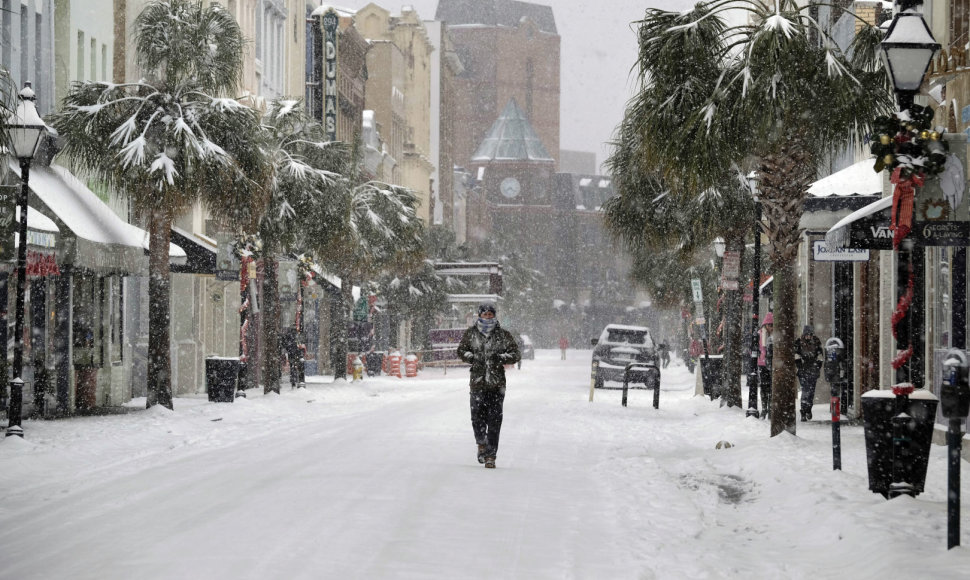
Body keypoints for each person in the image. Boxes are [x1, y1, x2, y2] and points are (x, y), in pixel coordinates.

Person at [458, 302, 521, 469]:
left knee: (494, 421)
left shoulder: (503, 335)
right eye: (484, 314)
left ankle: (491, 456)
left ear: (494, 315)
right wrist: (472, 358)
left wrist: (500, 358)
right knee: (477, 418)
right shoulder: (471, 334)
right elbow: (461, 351)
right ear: (479, 315)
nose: (487, 317)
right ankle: (482, 444)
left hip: (496, 385)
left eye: (490, 314)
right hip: (477, 384)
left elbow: (515, 354)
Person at [794, 325, 823, 421]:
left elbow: (820, 356)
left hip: (813, 370)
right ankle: (803, 411)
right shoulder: (798, 342)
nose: (808, 337)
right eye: (806, 335)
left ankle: (808, 408)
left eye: (810, 335)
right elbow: (796, 356)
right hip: (803, 371)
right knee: (806, 390)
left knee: (811, 392)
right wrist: (800, 367)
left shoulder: (816, 342)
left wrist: (817, 367)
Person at [757, 312, 774, 419]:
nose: (771, 327)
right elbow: (755, 348)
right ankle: (764, 408)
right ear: (765, 325)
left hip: (772, 364)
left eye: (773, 325)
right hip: (762, 364)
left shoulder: (775, 336)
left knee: (772, 387)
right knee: (764, 386)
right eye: (770, 325)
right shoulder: (760, 334)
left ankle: (771, 408)